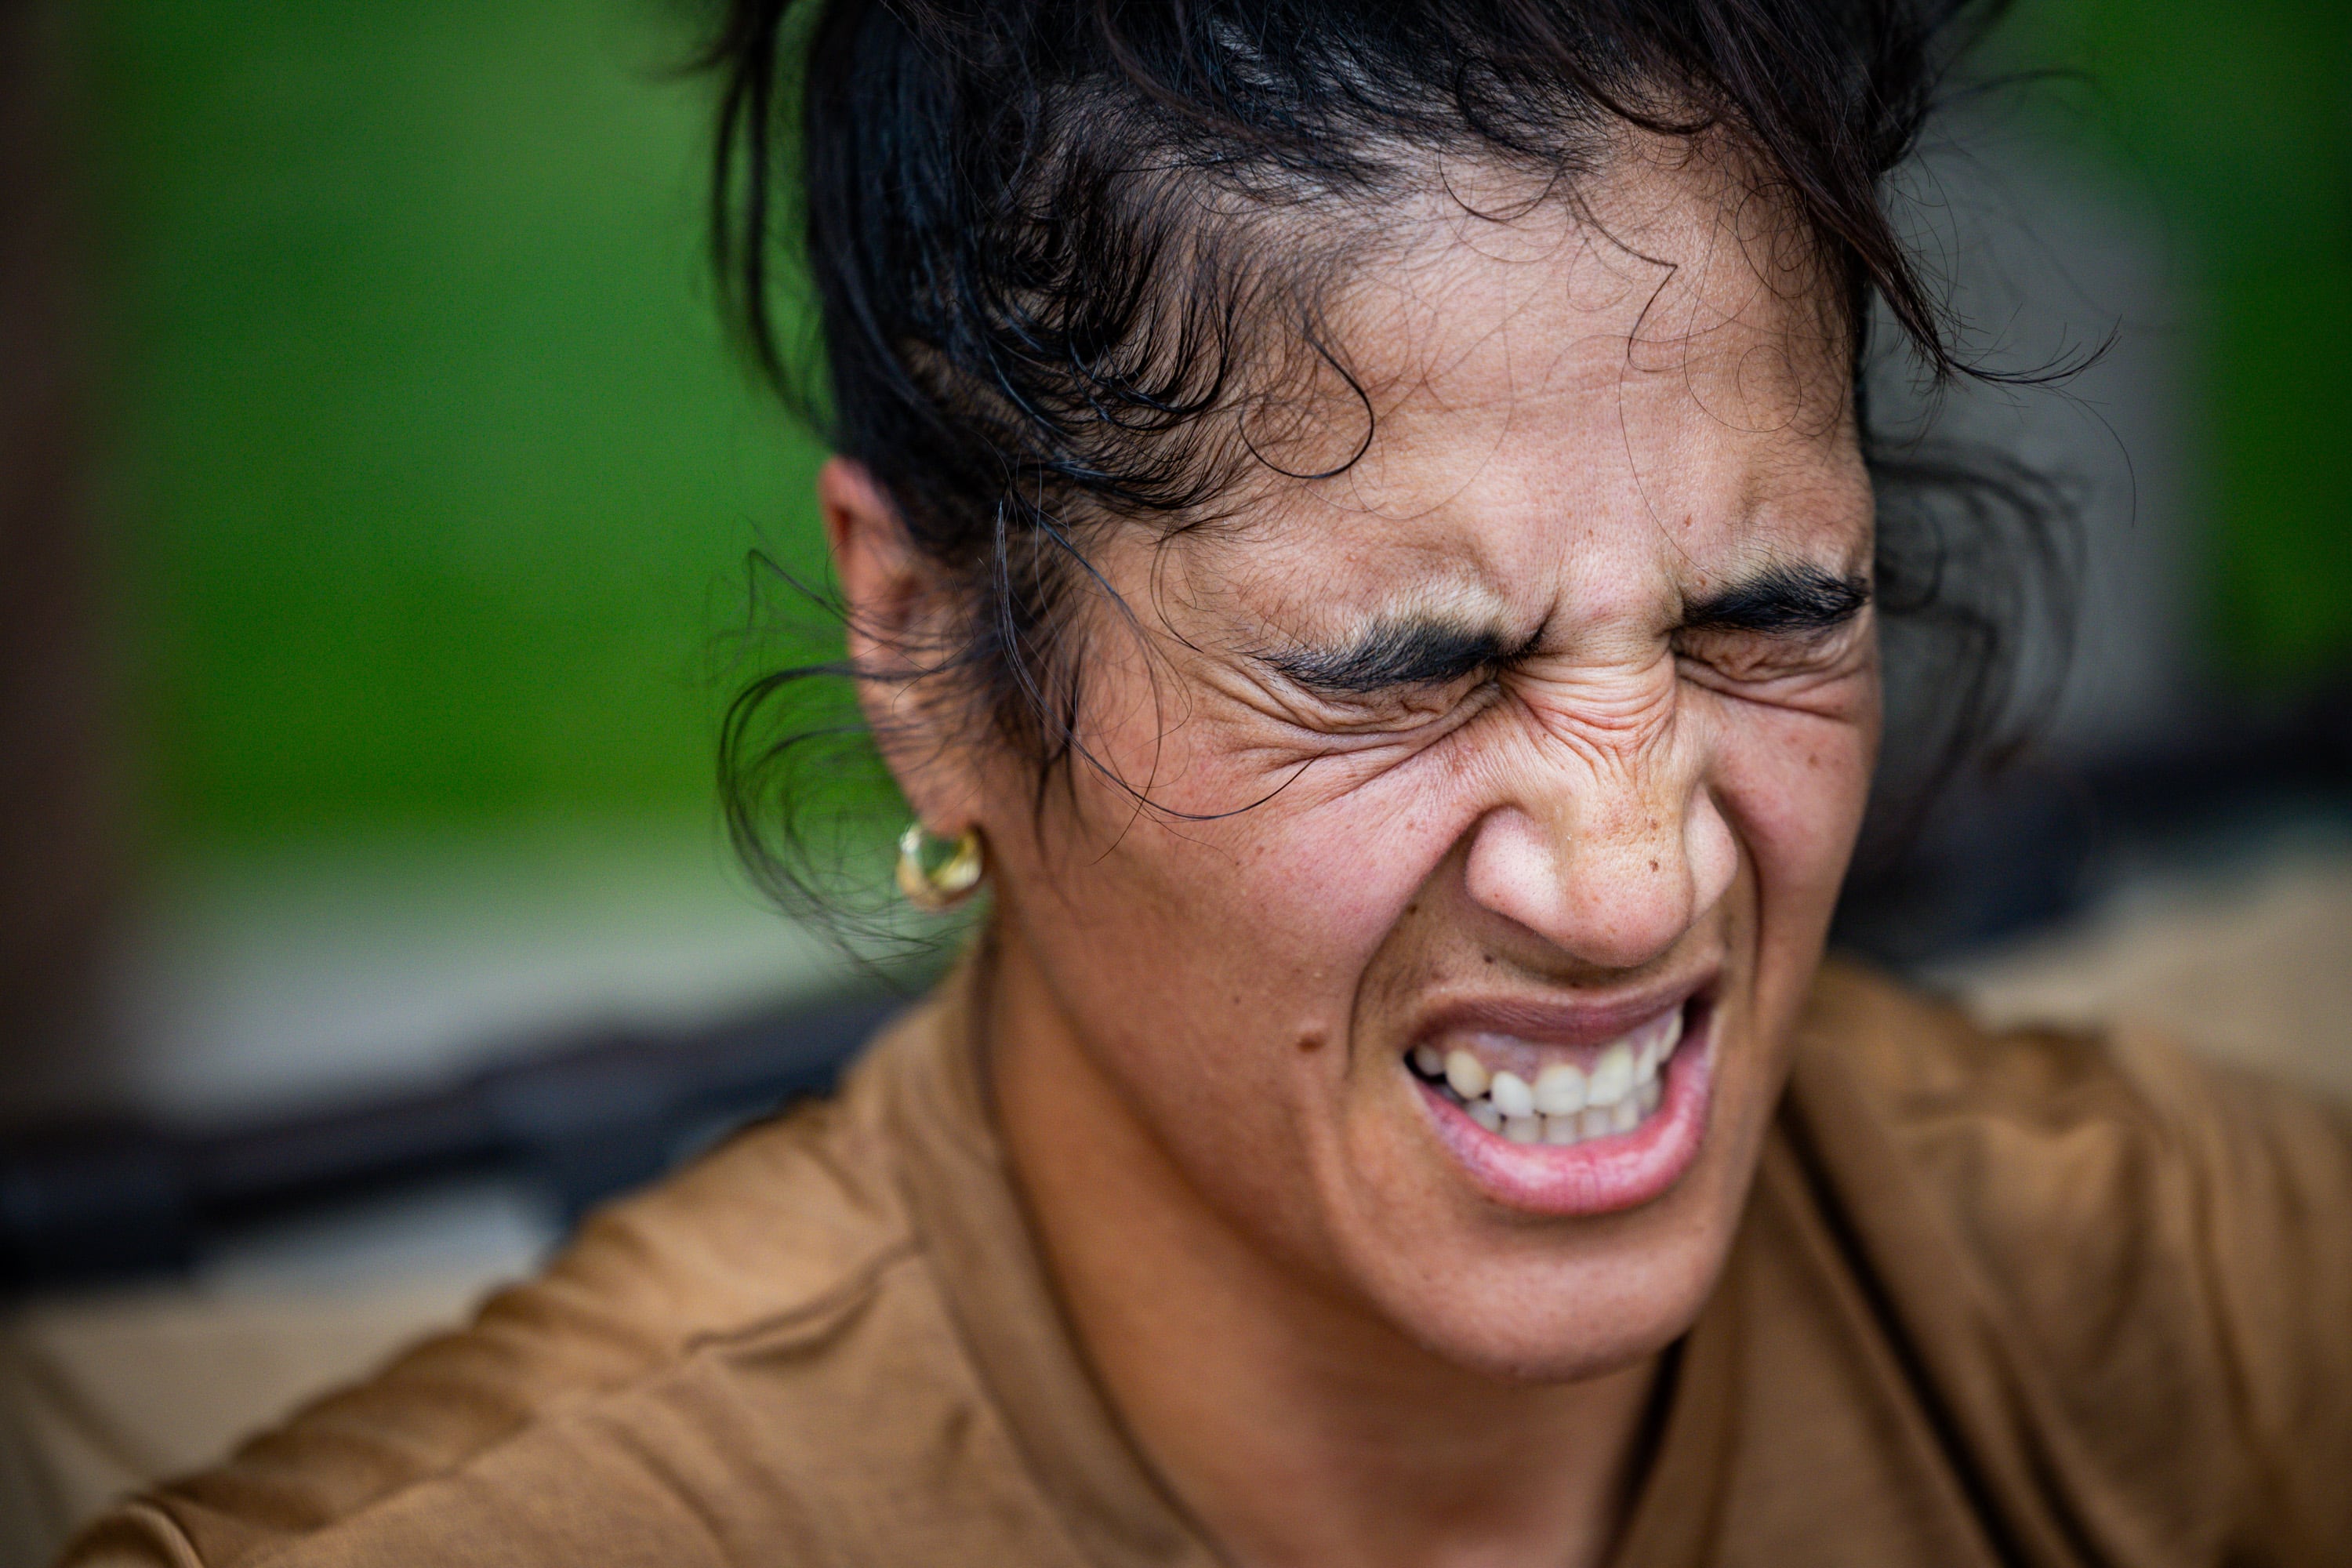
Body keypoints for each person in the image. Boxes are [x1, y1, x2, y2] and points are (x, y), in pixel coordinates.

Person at [62, 2, 2352, 1564]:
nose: (1637, 874)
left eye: (1769, 618)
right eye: (1409, 673)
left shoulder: (2169, 1310)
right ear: (933, 652)